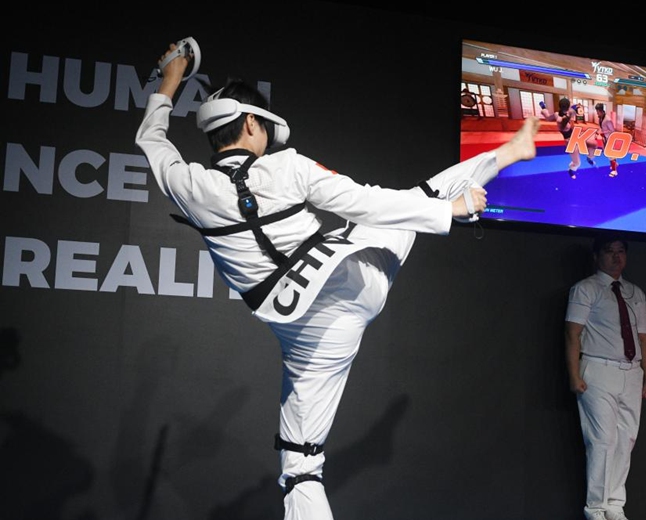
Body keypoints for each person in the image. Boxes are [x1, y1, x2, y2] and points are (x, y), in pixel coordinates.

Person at [136, 41, 540, 520]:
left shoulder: (191, 187)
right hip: (355, 280)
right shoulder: (288, 166)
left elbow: (152, 141)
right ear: (251, 124)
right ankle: (507, 154)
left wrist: (171, 79)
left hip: (311, 338)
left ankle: (502, 157)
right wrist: (446, 210)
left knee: (302, 465)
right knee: (421, 196)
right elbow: (365, 201)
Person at [564, 234, 646, 520]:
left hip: (631, 371)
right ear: (597, 256)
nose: (616, 257)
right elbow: (572, 333)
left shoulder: (635, 293)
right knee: (602, 439)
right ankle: (596, 507)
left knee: (625, 438)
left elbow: (643, 338)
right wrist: (574, 374)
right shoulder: (585, 289)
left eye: (621, 252)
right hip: (598, 369)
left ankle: (615, 504)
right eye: (609, 251)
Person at [556, 98, 597, 179]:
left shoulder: (568, 112)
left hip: (576, 137)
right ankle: (571, 170)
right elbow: (566, 124)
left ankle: (589, 158)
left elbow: (573, 109)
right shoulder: (560, 119)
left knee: (593, 144)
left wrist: (576, 106)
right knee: (577, 163)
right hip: (570, 142)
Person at [595, 103, 619, 177]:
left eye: (598, 112)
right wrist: (598, 132)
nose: (597, 113)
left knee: (610, 154)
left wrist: (603, 132)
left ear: (601, 111)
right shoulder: (600, 118)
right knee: (608, 154)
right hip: (604, 138)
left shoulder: (607, 120)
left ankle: (614, 171)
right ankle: (615, 164)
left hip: (610, 139)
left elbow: (612, 130)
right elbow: (601, 127)